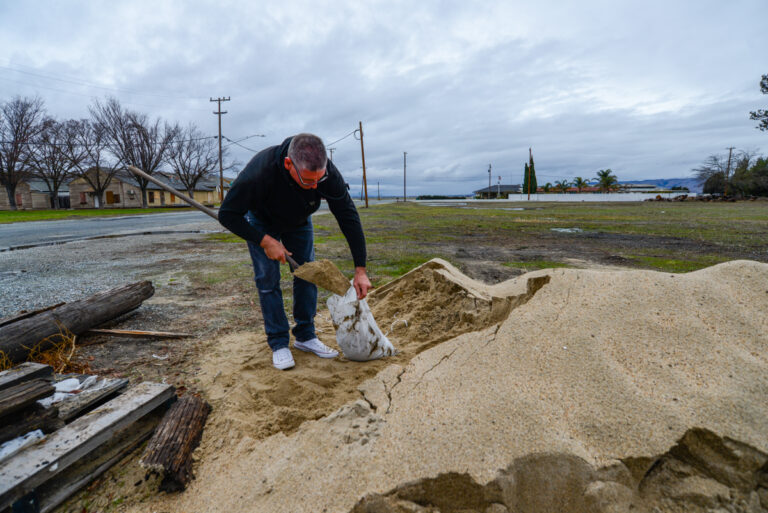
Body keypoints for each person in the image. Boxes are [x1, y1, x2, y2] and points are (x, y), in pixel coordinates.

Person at [218, 133, 371, 370]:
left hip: (299, 221)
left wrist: (360, 268)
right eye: (309, 181)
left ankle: (305, 336)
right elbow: (227, 214)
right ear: (289, 164)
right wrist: (264, 240)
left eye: (319, 180)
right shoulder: (259, 172)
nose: (315, 186)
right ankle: (279, 342)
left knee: (307, 273)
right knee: (268, 281)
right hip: (262, 221)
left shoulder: (327, 175)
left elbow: (348, 216)